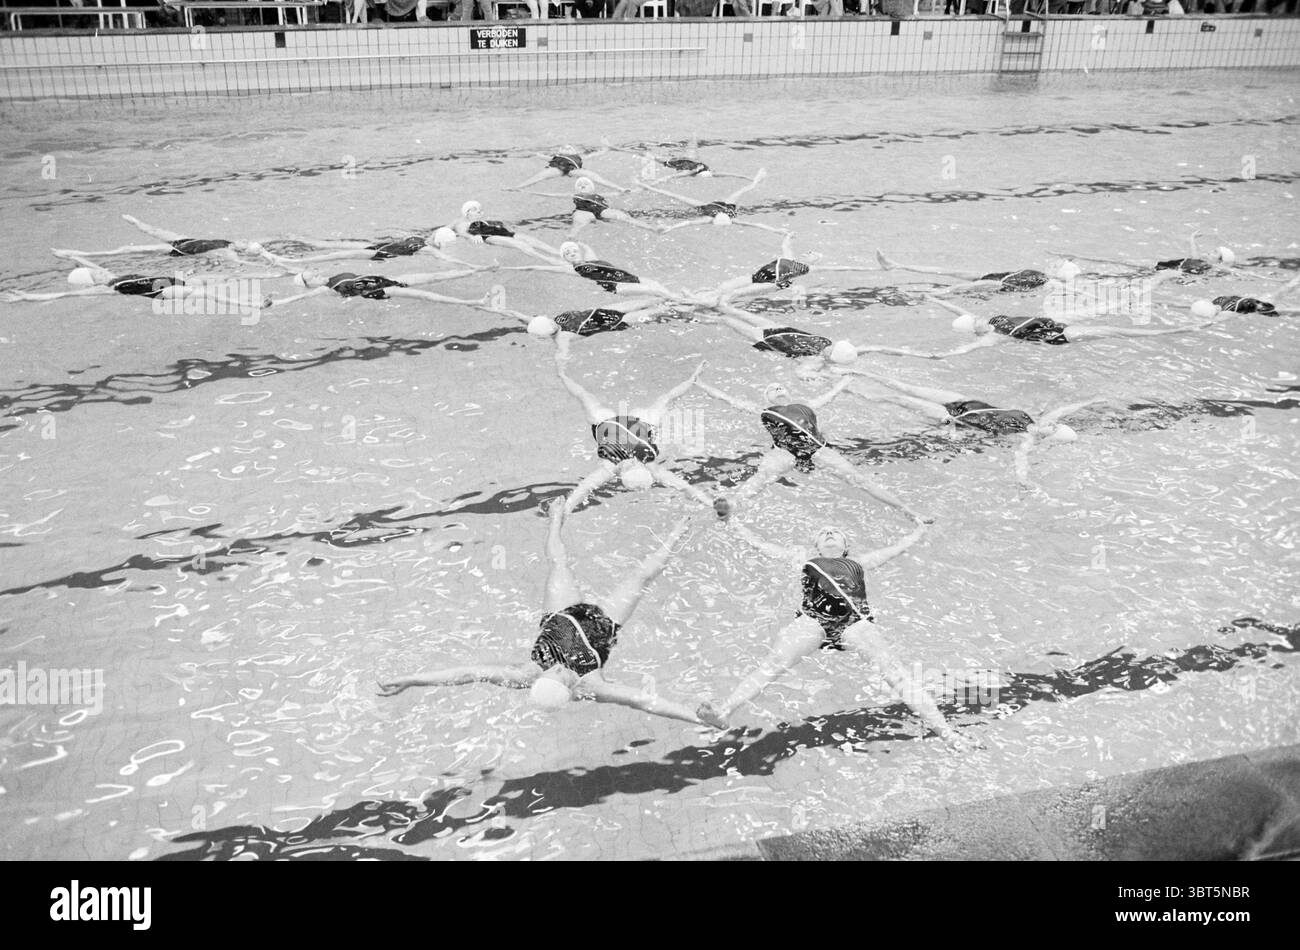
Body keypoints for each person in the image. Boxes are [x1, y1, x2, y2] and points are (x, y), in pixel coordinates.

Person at [377, 502, 716, 727]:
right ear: (570, 689)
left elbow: (466, 673)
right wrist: (698, 717)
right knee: (642, 576)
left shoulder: (526, 675)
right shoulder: (592, 686)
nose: (556, 667)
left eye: (549, 672)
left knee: (558, 562)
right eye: (561, 675)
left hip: (561, 612)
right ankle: (679, 531)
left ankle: (555, 519)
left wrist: (409, 679)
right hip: (603, 622)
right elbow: (646, 702)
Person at [695, 520, 970, 749]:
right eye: (823, 533)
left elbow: (897, 549)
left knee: (895, 672)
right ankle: (723, 712)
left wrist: (920, 530)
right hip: (812, 621)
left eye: (835, 532)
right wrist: (730, 521)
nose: (829, 533)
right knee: (772, 665)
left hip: (854, 623)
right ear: (815, 547)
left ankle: (946, 733)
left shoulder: (860, 563)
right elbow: (760, 545)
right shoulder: (805, 560)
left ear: (846, 547)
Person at [693, 373, 931, 525]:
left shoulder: (806, 406)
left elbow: (829, 397)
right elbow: (729, 401)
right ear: (766, 398)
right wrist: (702, 384)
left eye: (780, 386)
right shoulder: (765, 411)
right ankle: (731, 507)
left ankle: (908, 511)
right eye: (771, 389)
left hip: (817, 448)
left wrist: (843, 382)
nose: (777, 388)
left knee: (858, 478)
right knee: (763, 475)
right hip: (783, 451)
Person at [837, 368, 1105, 488]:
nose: (1053, 423)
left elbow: (1020, 459)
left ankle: (848, 391)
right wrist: (1093, 400)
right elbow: (1065, 409)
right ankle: (861, 373)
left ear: (1052, 437)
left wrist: (1023, 481)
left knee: (901, 400)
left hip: (954, 419)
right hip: (968, 402)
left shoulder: (1025, 439)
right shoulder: (1036, 419)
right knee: (906, 387)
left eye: (1055, 428)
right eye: (1055, 424)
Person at [555, 356, 718, 512]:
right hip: (610, 422)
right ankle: (562, 374)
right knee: (585, 397)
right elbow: (584, 488)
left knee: (665, 400)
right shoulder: (613, 467)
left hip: (636, 422)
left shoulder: (635, 466)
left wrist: (711, 503)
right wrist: (566, 508)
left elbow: (683, 486)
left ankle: (562, 373)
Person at [896, 294, 1225, 358]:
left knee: (1101, 307)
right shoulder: (992, 338)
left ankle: (1132, 300)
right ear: (976, 331)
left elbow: (958, 308)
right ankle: (1175, 331)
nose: (980, 321)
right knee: (1115, 331)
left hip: (1057, 322)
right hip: (1058, 336)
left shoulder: (992, 321)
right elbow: (962, 350)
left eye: (977, 319)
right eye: (976, 324)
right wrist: (932, 357)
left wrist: (933, 298)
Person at [2, 257, 273, 308]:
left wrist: (74, 258)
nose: (98, 273)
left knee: (215, 282)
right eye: (94, 276)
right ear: (92, 282)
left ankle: (258, 286)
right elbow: (63, 296)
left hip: (169, 280)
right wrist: (27, 297)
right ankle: (250, 304)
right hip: (164, 292)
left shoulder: (108, 275)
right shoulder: (112, 287)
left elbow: (98, 268)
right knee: (205, 294)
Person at [486, 289, 683, 358]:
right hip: (612, 320)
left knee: (654, 303)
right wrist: (562, 370)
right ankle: (692, 304)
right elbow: (562, 355)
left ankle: (687, 302)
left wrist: (498, 310)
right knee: (658, 308)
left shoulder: (552, 326)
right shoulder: (561, 336)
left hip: (607, 312)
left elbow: (521, 316)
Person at [51, 214, 276, 265]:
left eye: (247, 244)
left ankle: (80, 254)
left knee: (126, 250)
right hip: (187, 240)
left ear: (245, 250)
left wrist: (266, 260)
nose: (244, 240)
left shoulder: (231, 253)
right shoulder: (229, 243)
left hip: (181, 251)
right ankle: (136, 221)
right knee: (153, 229)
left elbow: (240, 264)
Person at [504, 241, 688, 299]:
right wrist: (514, 265)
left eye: (573, 250)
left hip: (630, 278)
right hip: (617, 286)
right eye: (567, 253)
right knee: (652, 290)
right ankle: (682, 301)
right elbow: (539, 266)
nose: (571, 253)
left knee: (656, 285)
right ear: (565, 259)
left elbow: (589, 250)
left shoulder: (591, 259)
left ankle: (675, 301)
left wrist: (581, 243)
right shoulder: (575, 269)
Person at [632, 169, 781, 234]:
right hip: (718, 206)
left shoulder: (717, 218)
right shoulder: (711, 218)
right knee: (742, 191)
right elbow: (757, 225)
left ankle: (755, 182)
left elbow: (687, 223)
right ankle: (645, 186)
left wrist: (670, 228)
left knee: (676, 196)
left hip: (717, 206)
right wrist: (778, 231)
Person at [261, 268, 497, 308]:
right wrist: (276, 302)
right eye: (310, 275)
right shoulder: (325, 289)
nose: (315, 273)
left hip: (386, 279)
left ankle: (478, 269)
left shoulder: (332, 277)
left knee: (434, 277)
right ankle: (473, 302)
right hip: (380, 291)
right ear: (308, 283)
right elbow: (298, 299)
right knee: (425, 295)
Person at [523, 176, 668, 237]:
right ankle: (572, 238)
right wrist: (532, 191)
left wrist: (627, 189)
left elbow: (619, 193)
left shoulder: (600, 195)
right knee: (579, 221)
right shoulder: (576, 196)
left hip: (602, 210)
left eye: (585, 184)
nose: (582, 186)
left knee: (622, 216)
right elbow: (554, 196)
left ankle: (652, 228)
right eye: (579, 185)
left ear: (592, 188)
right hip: (582, 211)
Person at [875, 250, 1051, 296]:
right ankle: (896, 265)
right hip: (999, 276)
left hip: (1002, 284)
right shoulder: (1046, 275)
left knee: (967, 286)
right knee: (949, 271)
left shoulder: (1053, 281)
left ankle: (936, 293)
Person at [600, 136, 754, 182]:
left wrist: (747, 177)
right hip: (682, 160)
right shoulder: (703, 169)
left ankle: (614, 148)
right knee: (692, 147)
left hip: (675, 162)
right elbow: (729, 174)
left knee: (646, 154)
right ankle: (614, 148)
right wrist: (747, 177)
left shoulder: (692, 172)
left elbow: (673, 176)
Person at [507, 144, 626, 192]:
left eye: (569, 147)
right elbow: (538, 155)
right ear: (559, 152)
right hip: (557, 168)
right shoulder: (555, 157)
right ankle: (517, 187)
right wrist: (526, 151)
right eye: (564, 148)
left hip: (573, 170)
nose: (567, 148)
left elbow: (598, 153)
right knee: (540, 176)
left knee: (593, 176)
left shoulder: (579, 156)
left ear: (575, 151)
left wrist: (606, 147)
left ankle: (619, 188)